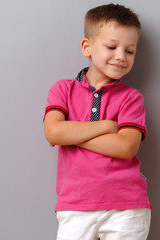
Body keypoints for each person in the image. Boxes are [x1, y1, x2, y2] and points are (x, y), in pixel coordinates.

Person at [43, 3, 152, 240]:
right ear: (87, 47)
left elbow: (125, 147)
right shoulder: (63, 90)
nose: (121, 56)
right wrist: (105, 126)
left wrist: (72, 134)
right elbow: (53, 133)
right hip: (75, 205)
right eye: (112, 46)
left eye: (130, 51)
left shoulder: (131, 98)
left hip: (126, 206)